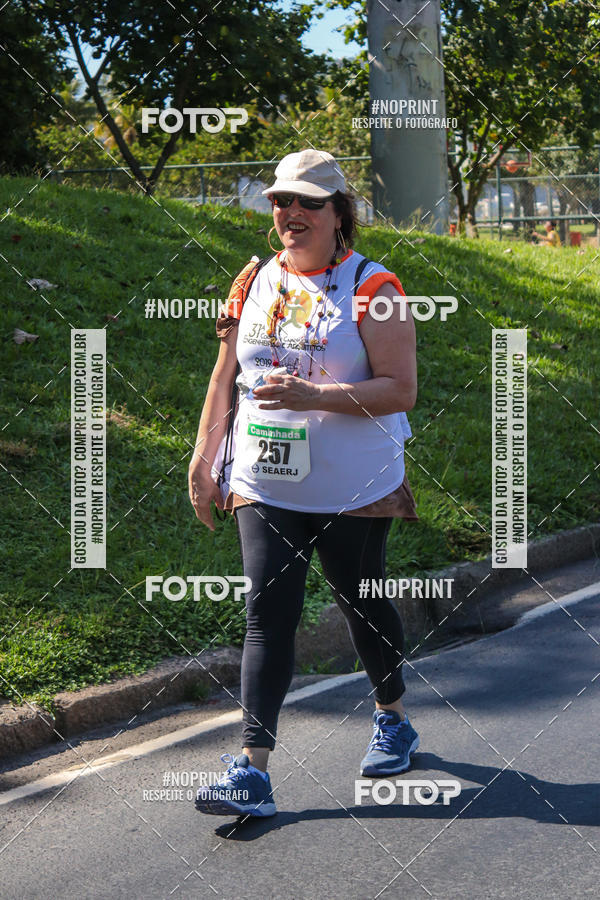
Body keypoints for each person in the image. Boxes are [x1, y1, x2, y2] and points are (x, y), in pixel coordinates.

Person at [188, 149, 419, 818]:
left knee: (360, 603)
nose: (291, 212)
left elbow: (400, 389)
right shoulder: (254, 278)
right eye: (279, 201)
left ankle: (393, 715)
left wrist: (313, 392)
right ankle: (252, 770)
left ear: (338, 213)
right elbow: (224, 376)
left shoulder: (374, 287)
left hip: (355, 484)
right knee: (269, 612)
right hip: (265, 478)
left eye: (308, 202)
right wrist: (205, 459)